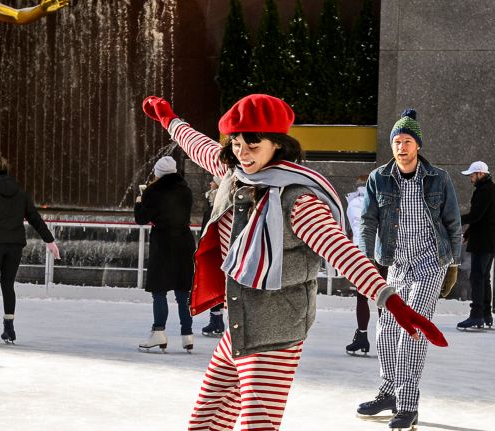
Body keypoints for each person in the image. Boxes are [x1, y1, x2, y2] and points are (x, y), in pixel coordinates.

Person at [142, 94, 447, 431]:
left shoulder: (297, 200)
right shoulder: (237, 175)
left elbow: (341, 251)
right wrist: (169, 119)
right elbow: (199, 147)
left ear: (277, 145)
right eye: (238, 143)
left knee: (256, 426)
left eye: (253, 145)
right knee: (205, 421)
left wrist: (391, 301)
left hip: (276, 331)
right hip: (241, 324)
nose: (243, 153)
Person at [357, 109, 461, 429]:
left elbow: (453, 223)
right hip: (396, 266)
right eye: (396, 142)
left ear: (418, 145)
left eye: (407, 141)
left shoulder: (439, 178)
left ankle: (408, 404)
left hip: (430, 264)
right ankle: (389, 391)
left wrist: (453, 263)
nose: (401, 147)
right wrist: (364, 261)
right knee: (386, 330)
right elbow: (367, 221)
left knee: (411, 331)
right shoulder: (379, 178)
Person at [0, 154, 60, 344]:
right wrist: (50, 241)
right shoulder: (20, 194)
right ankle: (9, 328)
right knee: (8, 285)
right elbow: (35, 218)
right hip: (15, 246)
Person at [135, 156, 196, 352]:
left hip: (163, 243)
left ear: (158, 172)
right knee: (183, 293)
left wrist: (139, 201)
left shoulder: (154, 191)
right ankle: (187, 335)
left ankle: (158, 332)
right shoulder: (186, 191)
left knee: (159, 291)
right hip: (184, 241)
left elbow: (141, 219)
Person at [344, 175, 385, 355]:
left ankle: (362, 337)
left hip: (363, 253)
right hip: (382, 252)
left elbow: (357, 227)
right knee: (382, 296)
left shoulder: (355, 203)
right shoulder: (382, 199)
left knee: (363, 297)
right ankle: (387, 339)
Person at [457, 161, 495, 329]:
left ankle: (476, 316)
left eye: (472, 176)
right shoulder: (489, 189)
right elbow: (482, 218)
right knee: (484, 278)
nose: (470, 179)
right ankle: (486, 314)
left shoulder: (485, 191)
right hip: (488, 241)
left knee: (477, 278)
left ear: (480, 174)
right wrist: (467, 233)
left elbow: (476, 215)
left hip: (483, 242)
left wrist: (456, 220)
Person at [200, 175, 226, 337]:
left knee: (216, 284)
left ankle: (217, 322)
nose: (210, 183)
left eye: (213, 181)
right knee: (216, 285)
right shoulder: (213, 201)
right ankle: (216, 320)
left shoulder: (218, 203)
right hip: (215, 248)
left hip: (216, 249)